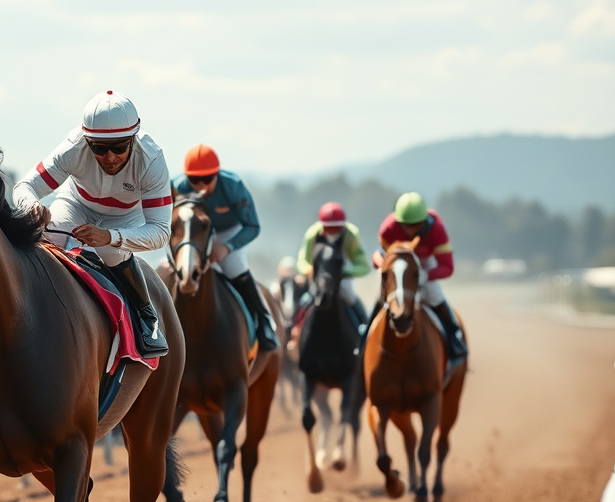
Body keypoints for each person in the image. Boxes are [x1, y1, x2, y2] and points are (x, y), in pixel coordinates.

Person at [13, 90, 172, 356]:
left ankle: (146, 315)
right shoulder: (73, 147)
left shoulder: (152, 159)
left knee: (110, 251)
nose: (110, 157)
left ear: (134, 138)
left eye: (119, 147)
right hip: (76, 204)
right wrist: (31, 207)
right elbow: (24, 187)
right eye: (99, 148)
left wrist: (109, 236)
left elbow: (161, 232)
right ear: (87, 141)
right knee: (49, 236)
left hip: (125, 216)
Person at [172, 144, 278, 351]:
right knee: (169, 270)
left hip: (228, 232)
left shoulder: (233, 186)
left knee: (235, 267)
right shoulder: (176, 187)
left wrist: (227, 247)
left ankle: (264, 321)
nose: (200, 185)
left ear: (217, 175)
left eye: (207, 179)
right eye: (194, 179)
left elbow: (253, 226)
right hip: (194, 234)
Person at [373, 192, 468, 362]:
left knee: (435, 295)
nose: (411, 230)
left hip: (424, 264)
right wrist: (385, 267)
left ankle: (454, 335)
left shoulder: (437, 229)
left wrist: (425, 275)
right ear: (397, 222)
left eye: (416, 225)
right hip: (397, 264)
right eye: (406, 225)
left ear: (425, 221)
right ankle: (365, 335)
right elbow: (378, 255)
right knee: (381, 298)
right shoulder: (388, 228)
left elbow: (447, 267)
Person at [296, 202, 372, 331]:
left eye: (336, 228)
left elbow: (364, 266)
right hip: (318, 276)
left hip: (342, 277)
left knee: (350, 296)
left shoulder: (351, 234)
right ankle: (295, 330)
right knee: (307, 299)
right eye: (328, 228)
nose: (332, 232)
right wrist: (310, 271)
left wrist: (344, 272)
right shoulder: (312, 234)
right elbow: (302, 261)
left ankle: (363, 328)